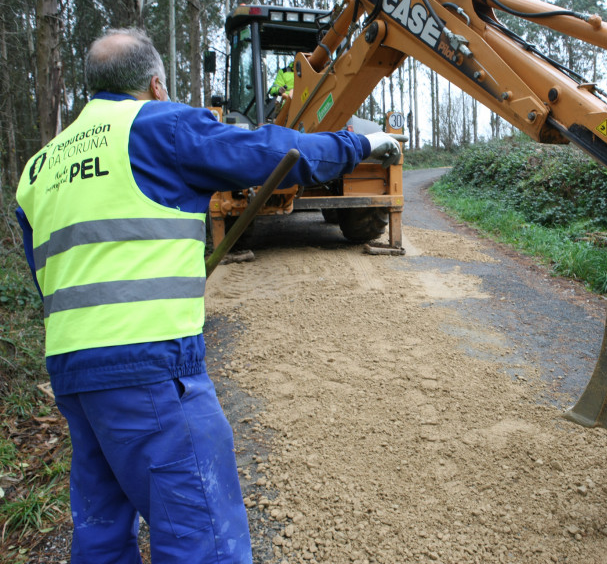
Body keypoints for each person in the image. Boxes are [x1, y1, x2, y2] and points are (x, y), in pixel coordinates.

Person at [15, 28, 404, 564]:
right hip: (149, 366)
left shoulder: (38, 168)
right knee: (203, 536)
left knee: (101, 529)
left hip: (72, 371)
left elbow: (47, 273)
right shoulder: (159, 125)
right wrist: (360, 144)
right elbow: (274, 150)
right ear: (156, 84)